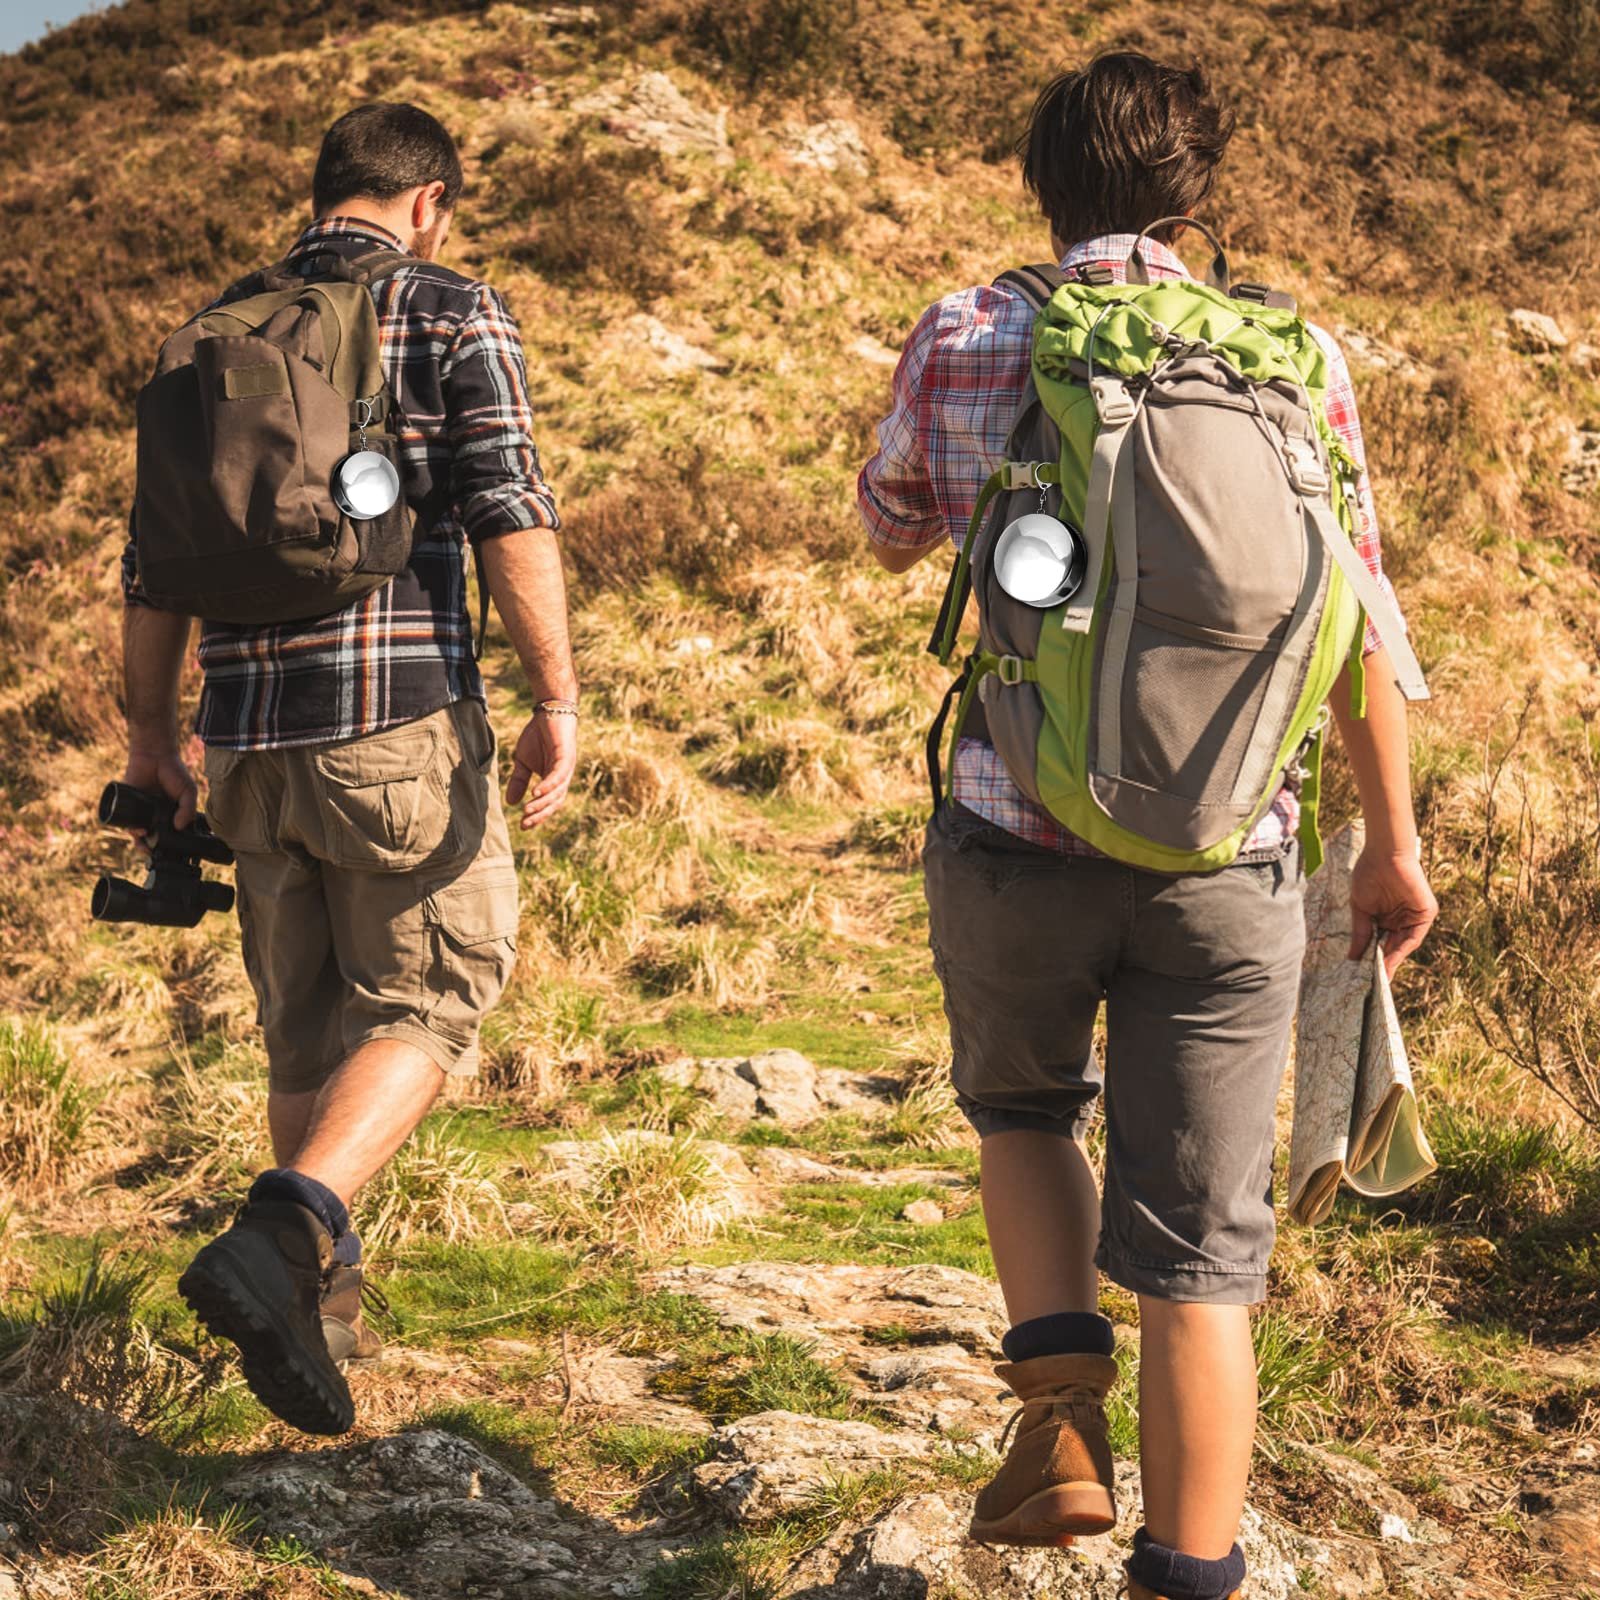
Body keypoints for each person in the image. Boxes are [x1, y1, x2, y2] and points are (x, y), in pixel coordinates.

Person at [857, 52, 1437, 1600]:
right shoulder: (1294, 350)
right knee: (1204, 1258)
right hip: (1235, 851)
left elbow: (890, 510)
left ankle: (1058, 1429)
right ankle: (1191, 1574)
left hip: (1013, 829)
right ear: (1200, 196)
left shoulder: (975, 328)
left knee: (1028, 1113)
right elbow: (1361, 615)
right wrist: (1391, 844)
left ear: (1043, 191)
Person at [119, 102, 578, 1436]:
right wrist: (558, 693)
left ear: (325, 193)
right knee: (432, 998)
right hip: (395, 725)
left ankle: (312, 1324)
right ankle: (287, 1235)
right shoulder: (447, 307)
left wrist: (156, 740)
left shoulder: (216, 325)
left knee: (306, 1025)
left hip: (245, 737)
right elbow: (510, 505)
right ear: (430, 200)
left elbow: (151, 561)